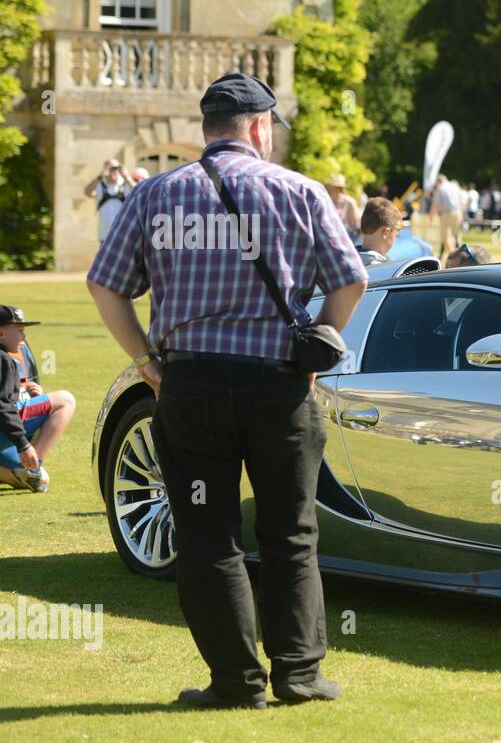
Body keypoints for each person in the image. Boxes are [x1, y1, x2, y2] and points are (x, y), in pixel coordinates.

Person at [86, 72, 368, 710]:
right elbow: (350, 282)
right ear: (261, 128)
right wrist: (319, 342)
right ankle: (299, 676)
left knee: (208, 534)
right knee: (290, 532)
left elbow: (105, 285)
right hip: (279, 384)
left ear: (206, 129)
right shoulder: (300, 191)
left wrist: (146, 361)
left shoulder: (156, 194)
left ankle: (237, 683)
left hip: (190, 384)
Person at [0, 306, 76, 493]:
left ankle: (24, 472)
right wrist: (23, 444)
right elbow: (3, 405)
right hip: (4, 432)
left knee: (43, 480)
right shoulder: (3, 359)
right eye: (19, 331)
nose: (24, 337)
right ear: (1, 333)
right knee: (66, 400)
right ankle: (33, 466)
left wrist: (30, 395)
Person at [84, 159, 136, 242]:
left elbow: (138, 191)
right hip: (105, 236)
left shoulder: (125, 184)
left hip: (123, 235)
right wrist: (100, 176)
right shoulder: (100, 184)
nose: (114, 171)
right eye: (111, 169)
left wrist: (127, 177)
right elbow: (87, 192)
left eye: (116, 168)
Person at [356, 197, 402, 267]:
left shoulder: (348, 261)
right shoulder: (382, 269)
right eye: (396, 235)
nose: (394, 241)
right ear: (386, 232)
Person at [432, 174, 464, 255]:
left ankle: (441, 255)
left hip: (446, 213)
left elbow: (435, 204)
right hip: (456, 212)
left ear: (439, 181)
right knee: (456, 234)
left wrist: (431, 215)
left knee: (444, 236)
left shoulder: (440, 188)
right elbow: (462, 200)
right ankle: (459, 254)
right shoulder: (454, 186)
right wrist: (461, 213)